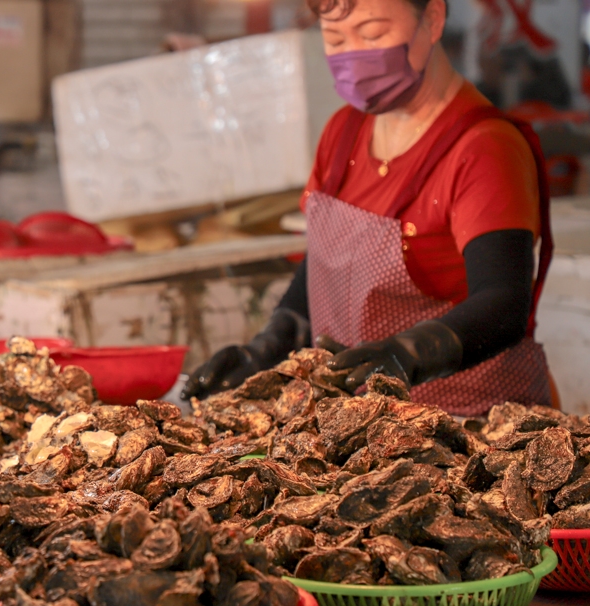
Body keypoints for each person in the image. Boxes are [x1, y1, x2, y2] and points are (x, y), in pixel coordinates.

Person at [182, 0, 553, 417]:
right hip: (361, 423)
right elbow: (325, 262)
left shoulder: (484, 148)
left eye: (373, 34)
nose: (354, 54)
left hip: (473, 419)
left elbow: (504, 303)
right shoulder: (343, 132)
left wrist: (411, 354)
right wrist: (268, 345)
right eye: (335, 38)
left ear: (432, 19)